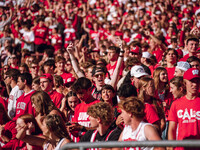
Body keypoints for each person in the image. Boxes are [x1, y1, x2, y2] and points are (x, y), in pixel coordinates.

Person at [168, 68, 200, 150]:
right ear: (184, 83)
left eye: (197, 81)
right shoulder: (176, 104)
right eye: (192, 81)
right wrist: (171, 148)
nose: (195, 84)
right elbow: (172, 129)